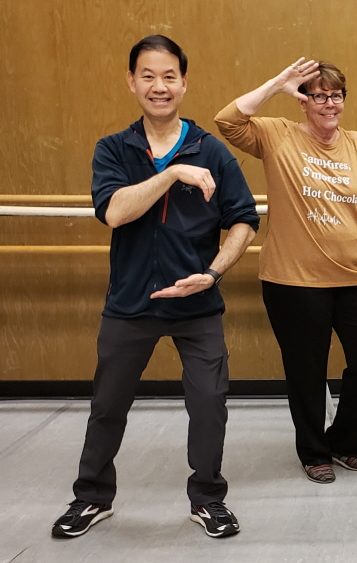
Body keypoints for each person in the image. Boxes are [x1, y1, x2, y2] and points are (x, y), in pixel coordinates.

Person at [52, 35, 259, 539]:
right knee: (108, 405)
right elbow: (115, 211)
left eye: (169, 77)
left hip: (197, 303)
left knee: (209, 403)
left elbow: (244, 220)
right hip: (130, 304)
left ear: (184, 83)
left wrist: (211, 274)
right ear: (132, 82)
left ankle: (208, 498)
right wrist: (171, 176)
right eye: (148, 76)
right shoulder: (114, 149)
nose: (159, 86)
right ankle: (92, 497)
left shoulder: (211, 149)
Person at [215, 58, 357, 484]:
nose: (329, 104)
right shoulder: (277, 135)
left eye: (336, 95)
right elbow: (228, 120)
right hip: (293, 282)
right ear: (303, 101)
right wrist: (276, 82)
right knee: (306, 370)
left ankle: (345, 442)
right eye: (319, 95)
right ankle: (313, 452)